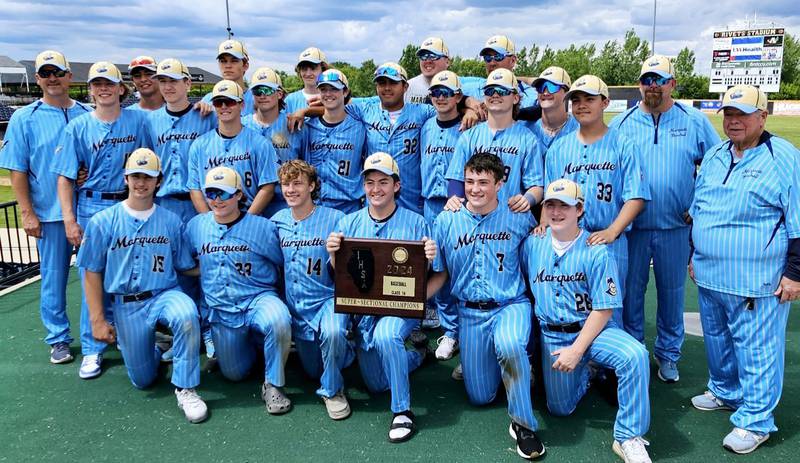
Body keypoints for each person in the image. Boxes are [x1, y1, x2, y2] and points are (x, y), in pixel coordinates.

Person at [689, 85, 800, 454]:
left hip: (757, 280)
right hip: (709, 274)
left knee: (758, 349)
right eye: (728, 114)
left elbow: (798, 220)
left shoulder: (782, 156)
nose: (733, 121)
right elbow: (701, 207)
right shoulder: (717, 153)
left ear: (762, 116)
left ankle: (756, 421)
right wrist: (694, 252)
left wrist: (795, 273)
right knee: (718, 342)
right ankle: (726, 391)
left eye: (742, 114)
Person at [522, 178, 652, 463]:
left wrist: (577, 351)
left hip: (594, 331)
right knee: (560, 408)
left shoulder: (596, 248)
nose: (556, 212)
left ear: (579, 209)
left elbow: (604, 310)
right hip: (553, 336)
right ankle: (589, 373)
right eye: (551, 205)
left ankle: (628, 436)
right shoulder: (534, 243)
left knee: (635, 355)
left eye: (564, 206)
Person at [610, 55, 720, 383]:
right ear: (639, 84)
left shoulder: (694, 120)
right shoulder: (623, 123)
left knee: (672, 293)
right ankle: (632, 352)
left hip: (675, 227)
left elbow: (716, 165)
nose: (652, 86)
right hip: (633, 229)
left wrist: (698, 204)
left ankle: (669, 354)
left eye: (659, 79)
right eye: (647, 79)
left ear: (672, 83)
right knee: (631, 294)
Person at [77, 148, 207, 423]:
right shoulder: (103, 222)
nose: (141, 183)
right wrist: (97, 320)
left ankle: (186, 387)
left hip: (164, 294)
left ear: (158, 180)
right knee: (143, 380)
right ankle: (157, 348)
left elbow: (185, 265)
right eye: (136, 175)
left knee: (186, 313)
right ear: (125, 178)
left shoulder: (171, 221)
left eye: (148, 177)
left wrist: (220, 262)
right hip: (127, 305)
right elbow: (91, 272)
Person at [429, 152, 544, 460]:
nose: (475, 189)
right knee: (480, 396)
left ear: (499, 183)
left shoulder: (518, 217)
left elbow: (540, 253)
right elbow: (440, 273)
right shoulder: (446, 220)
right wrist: (411, 301)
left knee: (509, 344)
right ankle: (504, 366)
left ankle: (524, 425)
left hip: (510, 304)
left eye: (483, 182)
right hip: (470, 312)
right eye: (469, 182)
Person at [325, 152, 436, 443]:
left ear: (397, 185)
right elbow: (341, 278)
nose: (376, 189)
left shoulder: (416, 223)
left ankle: (403, 411)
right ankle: (416, 356)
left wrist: (429, 259)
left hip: (398, 311)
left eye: (383, 182)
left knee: (388, 335)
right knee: (375, 383)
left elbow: (431, 276)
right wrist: (334, 255)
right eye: (370, 182)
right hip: (363, 313)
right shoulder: (348, 224)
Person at [53, 61, 151, 379]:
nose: (103, 88)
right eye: (97, 84)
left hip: (128, 204)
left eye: (109, 83)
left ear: (121, 88)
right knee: (91, 278)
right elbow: (66, 177)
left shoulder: (138, 119)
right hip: (92, 205)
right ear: (90, 89)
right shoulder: (78, 126)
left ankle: (125, 337)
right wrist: (69, 219)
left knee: (128, 276)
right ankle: (93, 348)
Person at [0, 50, 91, 364]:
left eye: (57, 72)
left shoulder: (87, 113)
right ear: (37, 78)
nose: (52, 78)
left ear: (69, 76)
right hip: (49, 213)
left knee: (95, 277)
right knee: (53, 278)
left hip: (89, 210)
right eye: (45, 73)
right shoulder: (25, 118)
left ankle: (98, 333)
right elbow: (16, 169)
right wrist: (27, 211)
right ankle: (58, 338)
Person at [185, 166, 293, 414]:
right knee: (235, 374)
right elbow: (185, 265)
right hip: (223, 310)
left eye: (224, 194)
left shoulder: (262, 227)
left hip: (258, 299)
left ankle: (273, 383)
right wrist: (209, 269)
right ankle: (257, 346)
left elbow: (281, 263)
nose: (217, 200)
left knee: (278, 319)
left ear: (239, 195)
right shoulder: (196, 226)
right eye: (211, 193)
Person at [543, 75, 650, 325]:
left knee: (609, 312)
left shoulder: (623, 145)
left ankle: (610, 363)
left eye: (589, 99)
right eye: (576, 100)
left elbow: (636, 196)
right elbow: (550, 201)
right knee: (569, 309)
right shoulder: (559, 148)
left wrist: (613, 231)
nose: (581, 105)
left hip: (607, 241)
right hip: (567, 243)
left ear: (605, 102)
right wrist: (545, 227)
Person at [271, 160, 354, 420]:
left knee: (332, 331)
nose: (291, 189)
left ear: (312, 186)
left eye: (298, 183)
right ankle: (347, 351)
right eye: (286, 184)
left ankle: (333, 390)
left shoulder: (335, 218)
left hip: (328, 300)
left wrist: (333, 255)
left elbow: (349, 269)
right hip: (297, 308)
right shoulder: (276, 222)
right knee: (311, 369)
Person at [445, 68, 544, 213]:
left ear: (516, 98)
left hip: (511, 217)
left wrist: (527, 199)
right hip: (472, 219)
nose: (495, 94)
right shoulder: (468, 136)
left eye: (502, 90)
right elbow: (456, 178)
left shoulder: (528, 139)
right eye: (490, 91)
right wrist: (454, 198)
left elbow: (536, 186)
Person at [419, 70, 464, 353]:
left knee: (457, 269)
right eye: (436, 93)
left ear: (458, 96)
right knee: (435, 266)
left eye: (446, 93)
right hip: (429, 204)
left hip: (458, 205)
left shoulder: (470, 127)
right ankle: (448, 329)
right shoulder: (426, 125)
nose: (440, 98)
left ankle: (460, 327)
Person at [187, 80, 278, 216]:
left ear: (241, 105)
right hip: (213, 217)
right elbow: (195, 188)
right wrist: (208, 222)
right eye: (218, 102)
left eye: (229, 102)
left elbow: (268, 187)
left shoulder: (260, 143)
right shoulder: (199, 145)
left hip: (248, 215)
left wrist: (247, 220)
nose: (223, 106)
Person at [301, 68, 367, 214]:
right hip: (314, 206)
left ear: (345, 92)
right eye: (323, 89)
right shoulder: (308, 126)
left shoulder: (360, 125)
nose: (328, 94)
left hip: (348, 206)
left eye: (334, 89)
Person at [241, 66, 302, 217]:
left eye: (268, 90)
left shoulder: (293, 124)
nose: (262, 95)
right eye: (257, 91)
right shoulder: (242, 125)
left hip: (285, 202)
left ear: (279, 94)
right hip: (248, 202)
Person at [460, 35, 538, 108]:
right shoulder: (473, 87)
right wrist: (466, 104)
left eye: (498, 57)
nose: (492, 63)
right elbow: (449, 82)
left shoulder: (530, 95)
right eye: (487, 58)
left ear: (513, 61)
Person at [525, 67, 579, 156]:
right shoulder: (527, 128)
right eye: (540, 87)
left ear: (567, 93)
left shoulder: (579, 129)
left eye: (552, 86)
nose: (545, 92)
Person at [198, 39, 255, 115]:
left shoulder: (257, 98)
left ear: (245, 66)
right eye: (223, 61)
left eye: (234, 61)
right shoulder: (208, 100)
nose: (228, 66)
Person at [405, 37, 451, 104]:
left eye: (433, 56)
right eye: (423, 56)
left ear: (447, 62)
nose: (428, 61)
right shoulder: (407, 88)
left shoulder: (458, 87)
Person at [285, 47, 329, 114]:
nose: (308, 74)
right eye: (304, 69)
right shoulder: (290, 100)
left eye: (313, 68)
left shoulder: (333, 97)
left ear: (323, 70)